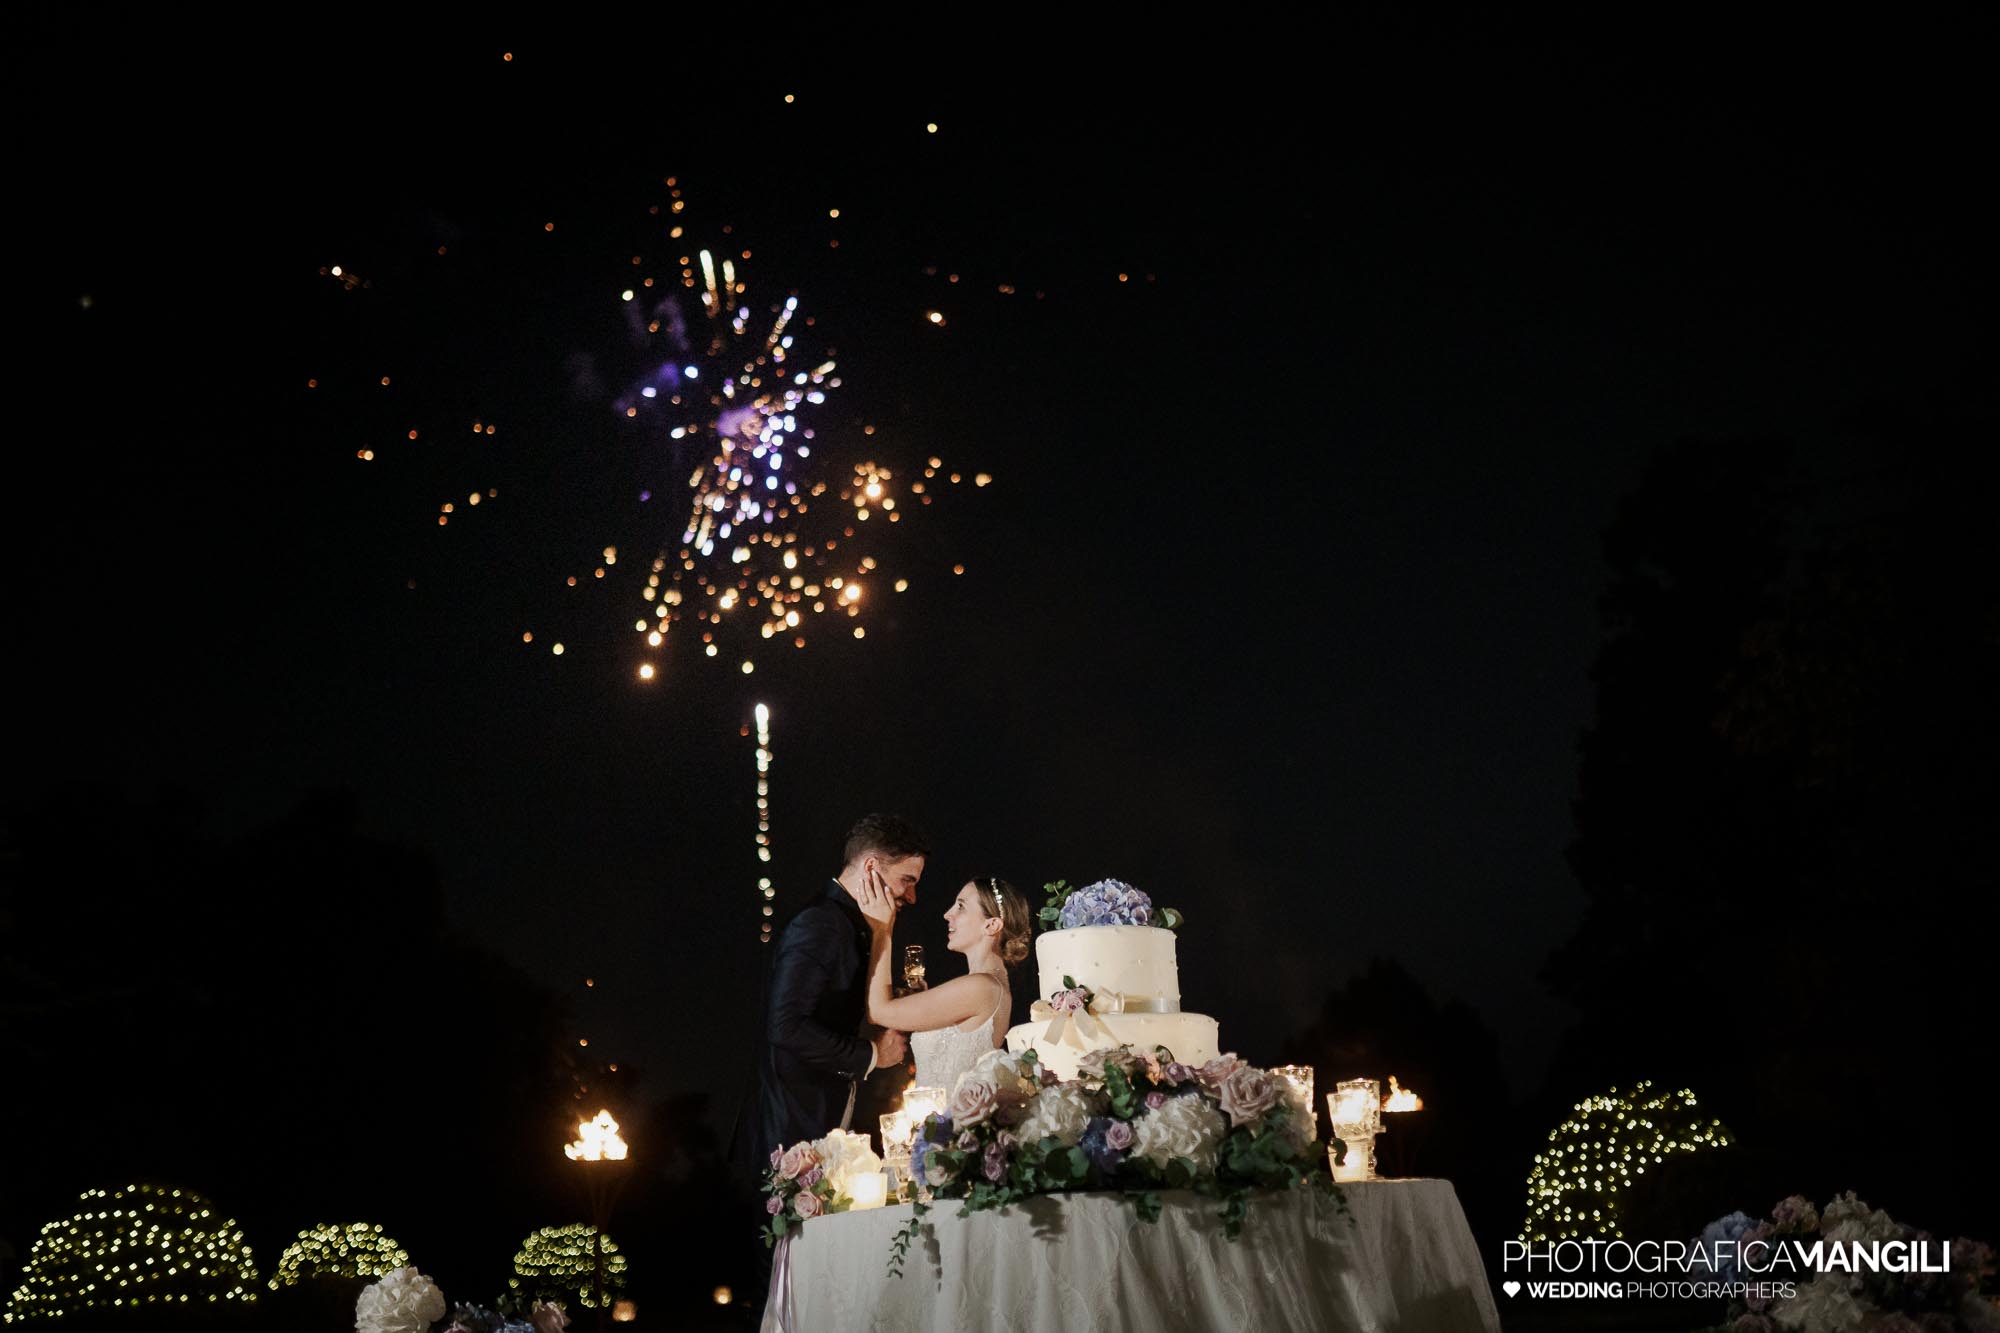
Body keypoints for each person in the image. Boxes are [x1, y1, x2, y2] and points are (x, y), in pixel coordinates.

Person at [855, 871, 1031, 1093]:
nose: (948, 914)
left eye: (961, 907)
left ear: (992, 925)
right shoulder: (988, 984)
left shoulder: (982, 986)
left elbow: (879, 1012)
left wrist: (881, 930)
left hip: (947, 1121)